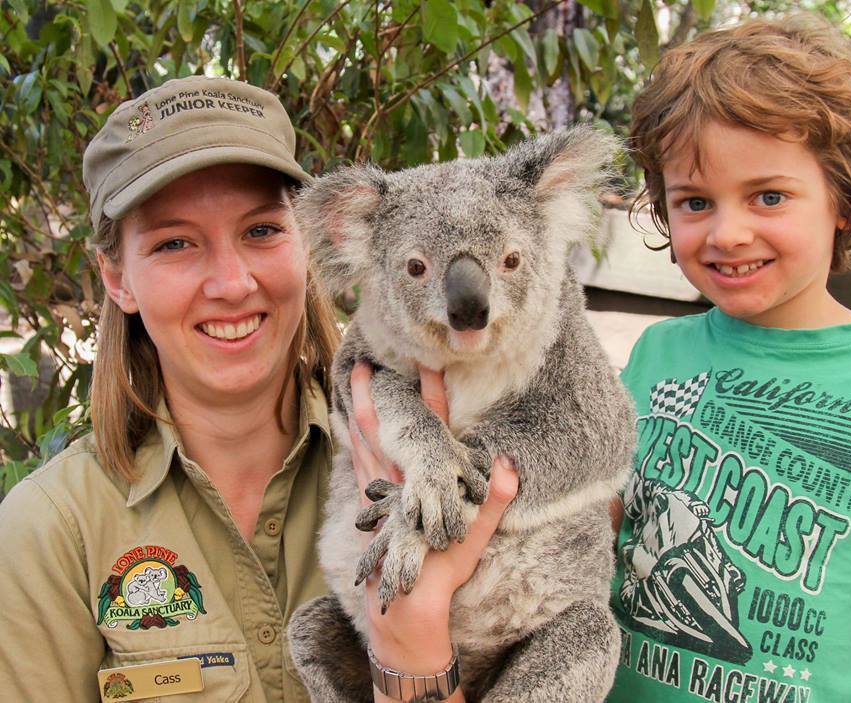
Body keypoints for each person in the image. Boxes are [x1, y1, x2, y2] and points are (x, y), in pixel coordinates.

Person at [0, 73, 517, 702]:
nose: (231, 282)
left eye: (262, 231)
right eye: (174, 243)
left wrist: (413, 646)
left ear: (310, 246)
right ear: (117, 278)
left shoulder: (436, 457)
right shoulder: (53, 531)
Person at [609, 14, 851, 702]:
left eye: (769, 196)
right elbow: (606, 524)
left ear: (842, 198)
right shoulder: (659, 352)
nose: (727, 232)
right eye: (694, 201)